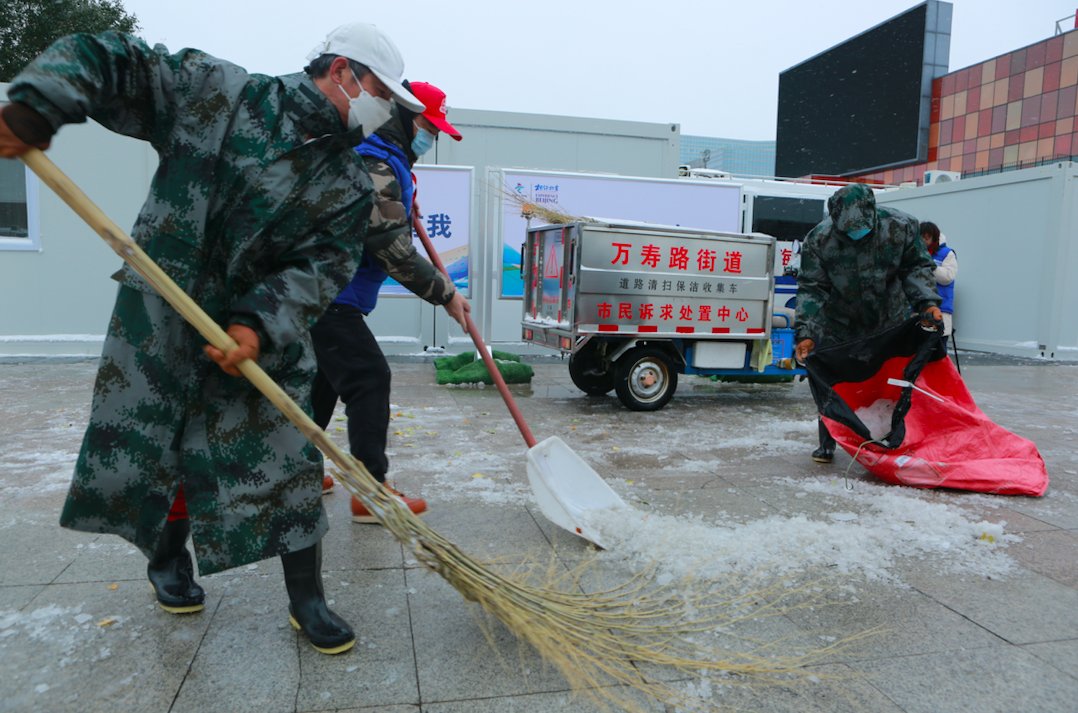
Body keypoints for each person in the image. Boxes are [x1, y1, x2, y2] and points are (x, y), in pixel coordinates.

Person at [0, 21, 425, 656]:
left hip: (260, 334)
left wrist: (257, 322)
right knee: (160, 443)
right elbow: (109, 57)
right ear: (342, 74)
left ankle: (306, 597)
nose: (385, 109)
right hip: (163, 311)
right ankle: (168, 558)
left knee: (289, 451)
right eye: (382, 93)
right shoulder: (223, 94)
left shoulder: (345, 184)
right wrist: (42, 103)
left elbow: (321, 267)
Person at [313, 80, 469, 522]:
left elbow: (383, 214)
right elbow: (386, 242)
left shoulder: (388, 159)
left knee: (322, 386)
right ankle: (371, 491)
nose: (432, 136)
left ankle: (294, 473)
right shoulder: (375, 157)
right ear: (403, 115)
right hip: (329, 294)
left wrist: (404, 201)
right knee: (369, 377)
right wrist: (446, 293)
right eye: (427, 126)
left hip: (331, 294)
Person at [794, 183, 942, 463]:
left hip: (890, 318)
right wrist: (806, 332)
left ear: (873, 213)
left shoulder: (901, 226)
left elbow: (916, 267)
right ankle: (829, 440)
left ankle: (892, 440)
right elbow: (813, 288)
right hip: (839, 322)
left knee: (892, 383)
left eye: (860, 227)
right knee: (832, 384)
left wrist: (927, 303)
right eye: (847, 229)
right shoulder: (819, 240)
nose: (855, 234)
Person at [920, 221, 957, 337]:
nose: (924, 241)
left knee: (938, 346)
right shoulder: (915, 253)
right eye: (922, 238)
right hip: (919, 308)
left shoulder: (947, 253)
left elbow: (948, 277)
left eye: (927, 238)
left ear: (934, 237)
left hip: (941, 307)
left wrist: (932, 267)